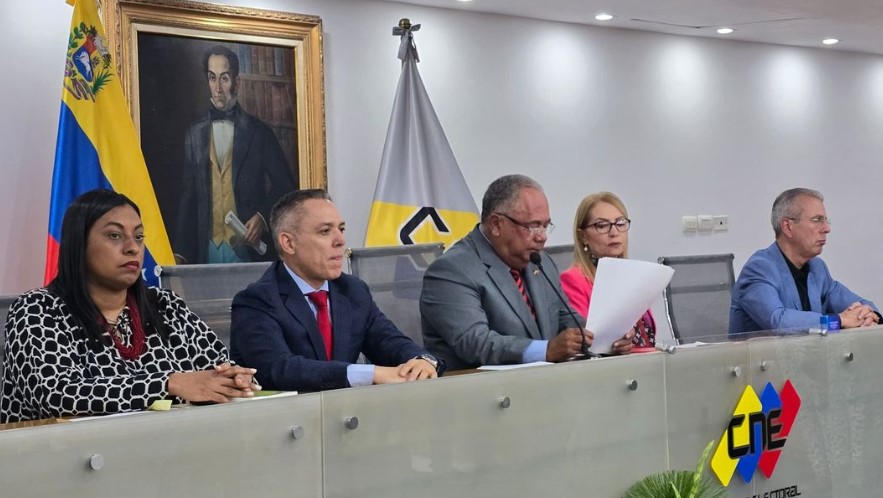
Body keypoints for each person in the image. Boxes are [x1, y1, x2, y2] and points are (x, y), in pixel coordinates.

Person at [1, 189, 258, 423]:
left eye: (139, 236)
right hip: (58, 454)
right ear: (79, 243)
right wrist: (168, 384)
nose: (133, 248)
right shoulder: (37, 310)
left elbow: (216, 371)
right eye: (115, 236)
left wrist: (236, 380)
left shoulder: (166, 306)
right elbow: (57, 395)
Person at [230, 189, 442, 391]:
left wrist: (421, 361)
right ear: (289, 243)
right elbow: (279, 369)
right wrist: (371, 374)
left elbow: (389, 342)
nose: (340, 240)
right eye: (325, 231)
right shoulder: (256, 301)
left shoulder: (352, 290)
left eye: (341, 229)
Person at [420, 174, 634, 371]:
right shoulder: (452, 270)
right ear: (496, 224)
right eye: (533, 226)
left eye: (545, 226)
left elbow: (566, 318)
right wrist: (547, 350)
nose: (542, 237)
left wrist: (607, 338)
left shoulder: (539, 262)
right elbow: (475, 343)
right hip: (480, 392)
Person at [175, 45, 296, 264]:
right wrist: (180, 253)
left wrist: (262, 217)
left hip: (248, 250)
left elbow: (285, 185)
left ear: (237, 82)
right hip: (207, 251)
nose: (218, 88)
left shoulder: (259, 132)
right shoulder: (194, 134)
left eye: (224, 78)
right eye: (212, 78)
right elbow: (188, 196)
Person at [729, 188, 880, 334]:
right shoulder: (759, 268)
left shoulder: (817, 267)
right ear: (788, 227)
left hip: (807, 351)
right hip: (761, 352)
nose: (827, 229)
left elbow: (860, 303)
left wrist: (870, 315)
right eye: (817, 220)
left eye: (826, 221)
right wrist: (838, 320)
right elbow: (777, 321)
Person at [560, 192, 653, 348]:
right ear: (583, 236)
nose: (614, 233)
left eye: (620, 223)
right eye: (602, 225)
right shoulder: (572, 280)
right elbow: (587, 341)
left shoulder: (632, 277)